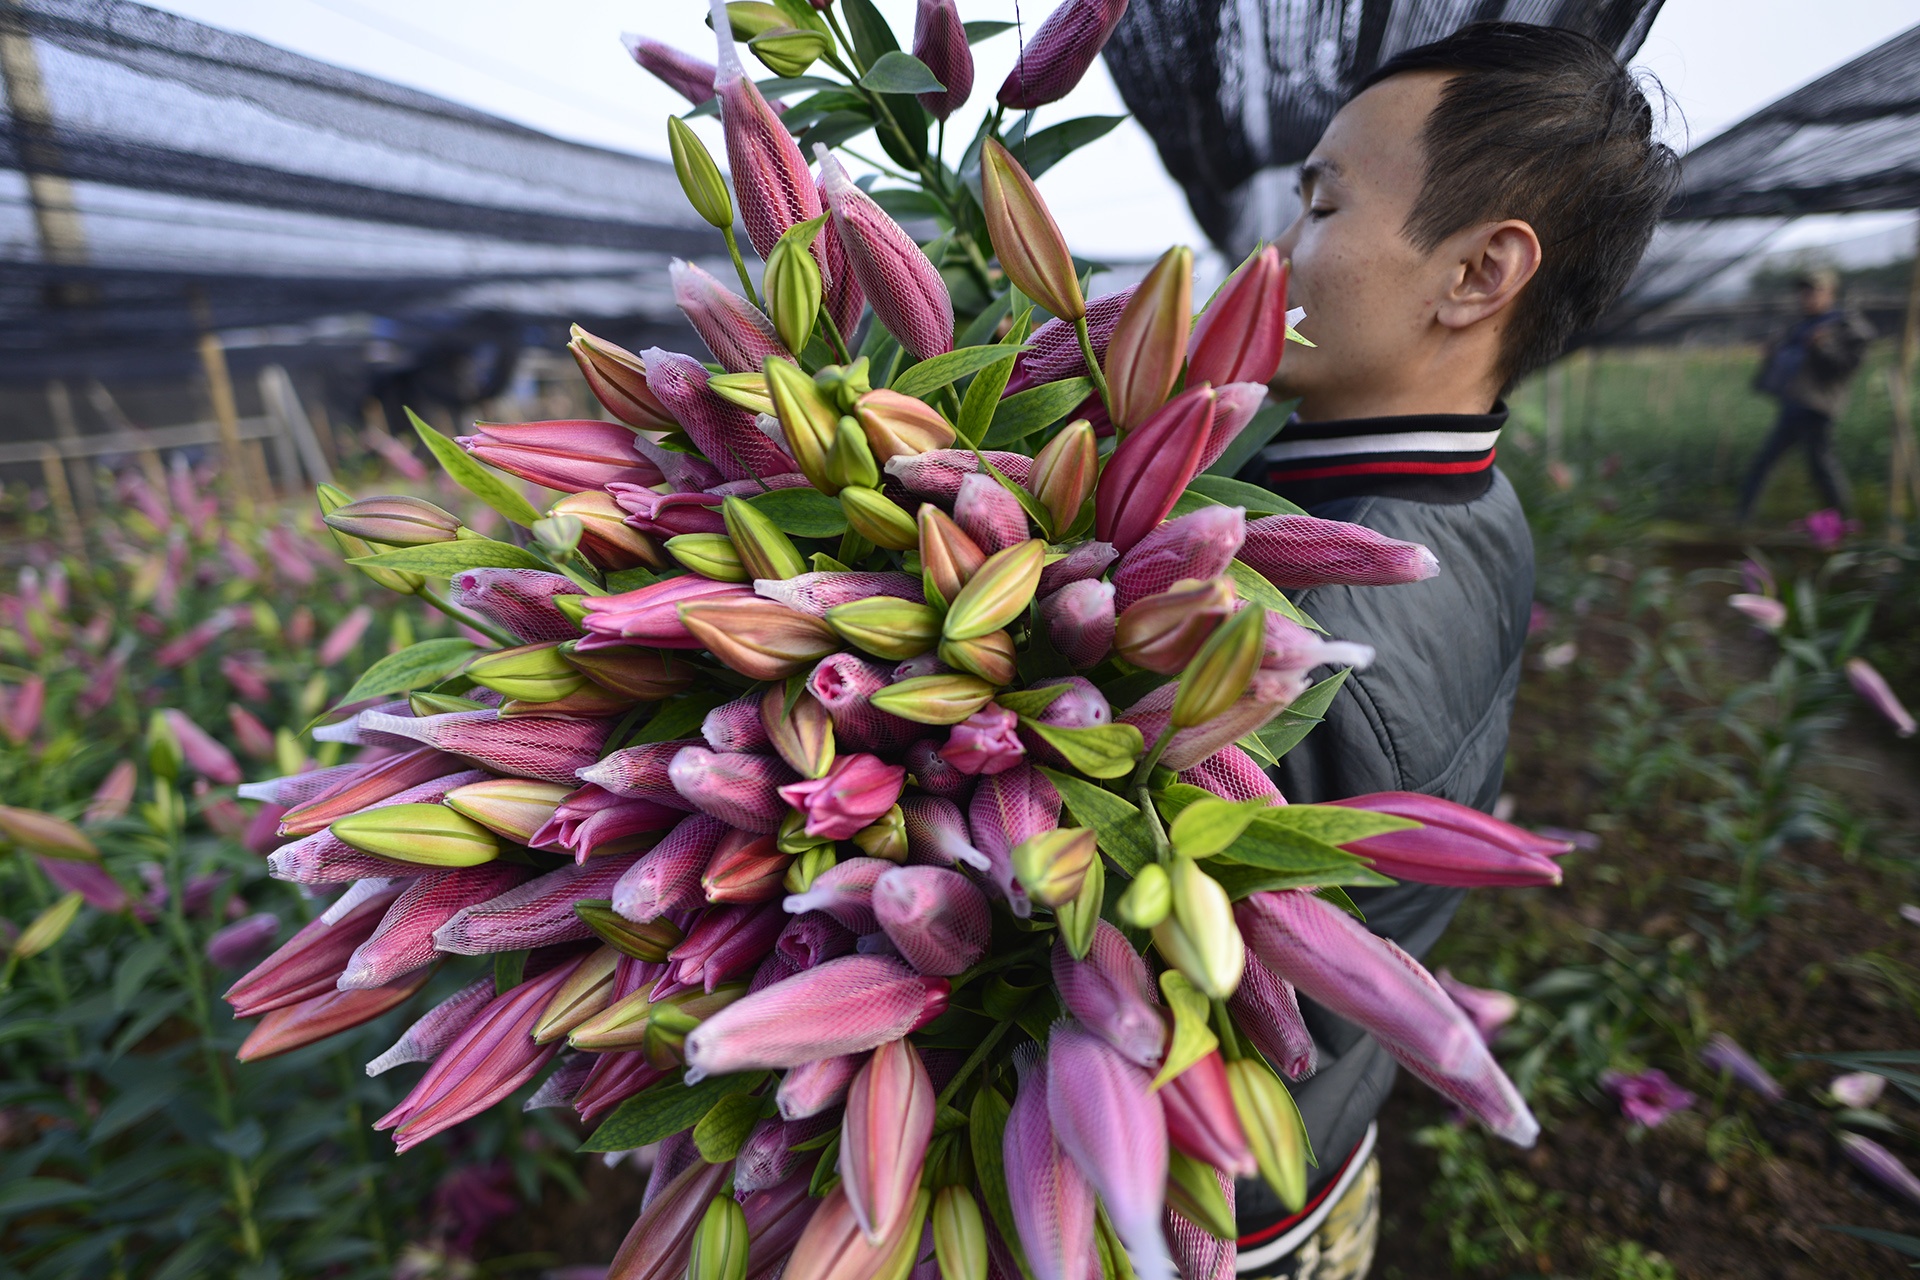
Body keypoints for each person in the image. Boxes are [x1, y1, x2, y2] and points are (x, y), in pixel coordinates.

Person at [1228, 23, 1678, 1278]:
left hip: (1193, 1210)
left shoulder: (1306, 659)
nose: (1273, 253)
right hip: (1321, 1140)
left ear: (1478, 273)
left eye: (1319, 203)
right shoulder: (1464, 494)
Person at [1736, 267, 1872, 523]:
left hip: (1818, 407)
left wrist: (1823, 346)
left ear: (1830, 292)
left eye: (1814, 291)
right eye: (1803, 292)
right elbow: (1788, 358)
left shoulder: (1846, 327)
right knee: (1764, 462)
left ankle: (1843, 523)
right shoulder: (1799, 326)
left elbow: (1844, 367)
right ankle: (1742, 518)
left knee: (1821, 466)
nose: (1807, 297)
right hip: (1793, 404)